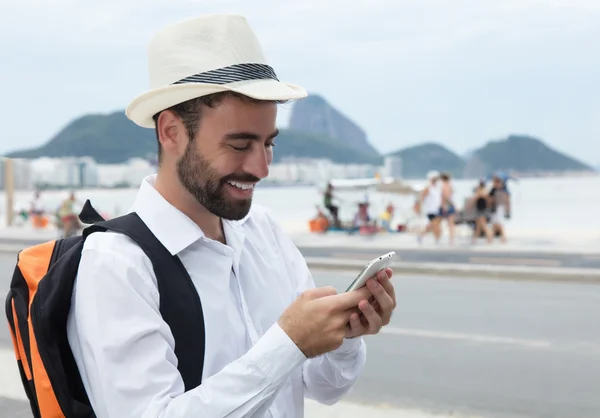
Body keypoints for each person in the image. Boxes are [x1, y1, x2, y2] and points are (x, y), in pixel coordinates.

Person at [66, 14, 397, 418]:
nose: (261, 168)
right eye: (240, 145)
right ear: (170, 132)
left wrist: (345, 338)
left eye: (268, 144)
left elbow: (322, 386)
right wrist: (288, 342)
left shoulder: (264, 232)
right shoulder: (117, 264)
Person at [417, 170, 442, 243]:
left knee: (431, 225)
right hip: (430, 210)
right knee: (435, 225)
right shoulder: (428, 188)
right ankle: (437, 240)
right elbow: (422, 198)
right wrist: (419, 207)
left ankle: (421, 235)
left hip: (437, 209)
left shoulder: (437, 188)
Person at [439, 173, 456, 245]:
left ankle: (438, 237)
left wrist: (443, 206)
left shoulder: (444, 186)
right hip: (450, 205)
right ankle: (451, 239)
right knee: (451, 224)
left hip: (446, 206)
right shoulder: (450, 186)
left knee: (436, 222)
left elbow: (445, 197)